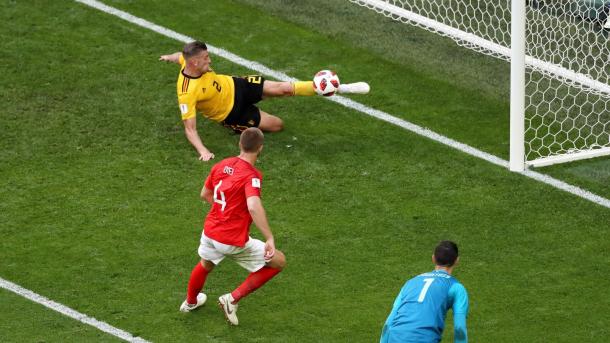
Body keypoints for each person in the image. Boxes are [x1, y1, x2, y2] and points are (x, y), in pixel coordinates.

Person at [160, 40, 369, 161]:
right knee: (277, 125)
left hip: (237, 85)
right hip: (232, 113)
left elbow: (180, 55)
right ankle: (239, 127)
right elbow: (190, 128)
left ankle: (335, 87)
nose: (210, 60)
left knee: (283, 88)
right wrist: (203, 151)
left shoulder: (188, 61)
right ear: (195, 63)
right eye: (206, 59)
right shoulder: (187, 91)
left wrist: (169, 56)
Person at [178, 127, 286, 326]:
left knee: (206, 264)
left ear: (240, 144)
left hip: (210, 231)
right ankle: (232, 298)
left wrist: (224, 212)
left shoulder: (222, 165)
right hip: (230, 239)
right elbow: (253, 206)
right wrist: (269, 237)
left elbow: (205, 194)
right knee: (278, 261)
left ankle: (190, 302)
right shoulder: (252, 175)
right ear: (260, 148)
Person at [380, 241, 469, 343]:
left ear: (433, 258)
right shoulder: (456, 288)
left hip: (394, 338)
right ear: (457, 260)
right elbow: (459, 329)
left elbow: (388, 324)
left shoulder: (410, 283)